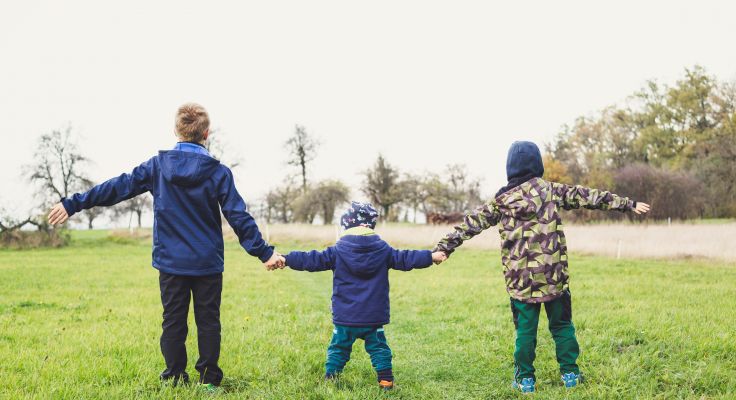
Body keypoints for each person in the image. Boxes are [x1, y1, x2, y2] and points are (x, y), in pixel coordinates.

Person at [47, 103, 285, 392]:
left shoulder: (158, 167)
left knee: (173, 322)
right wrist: (265, 252)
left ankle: (174, 377)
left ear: (175, 131)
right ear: (206, 133)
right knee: (208, 321)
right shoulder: (218, 172)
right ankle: (209, 381)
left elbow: (116, 187)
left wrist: (73, 203)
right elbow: (238, 216)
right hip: (207, 262)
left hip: (171, 263)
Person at [434, 141, 650, 393]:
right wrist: (628, 204)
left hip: (521, 283)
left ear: (510, 168)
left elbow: (470, 224)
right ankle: (570, 374)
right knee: (561, 326)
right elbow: (588, 196)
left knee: (525, 331)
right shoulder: (550, 191)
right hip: (554, 277)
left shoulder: (501, 201)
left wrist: (444, 247)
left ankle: (525, 380)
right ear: (537, 165)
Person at [281, 201, 447, 390]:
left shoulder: (337, 251)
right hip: (373, 317)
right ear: (369, 226)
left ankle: (331, 378)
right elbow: (406, 258)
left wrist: (286, 259)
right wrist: (430, 256)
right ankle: (386, 381)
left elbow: (311, 259)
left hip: (345, 317)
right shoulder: (384, 250)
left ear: (347, 226)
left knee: (338, 348)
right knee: (379, 349)